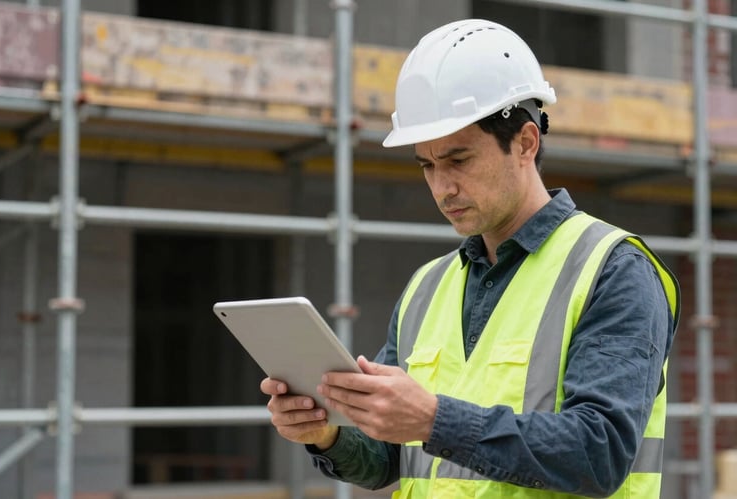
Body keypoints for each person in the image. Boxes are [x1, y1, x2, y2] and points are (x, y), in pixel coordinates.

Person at [260, 18, 679, 498]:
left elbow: (600, 453)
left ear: (525, 143)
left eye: (458, 161)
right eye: (427, 165)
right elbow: (386, 459)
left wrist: (435, 419)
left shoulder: (614, 270)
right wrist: (329, 435)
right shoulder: (427, 287)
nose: (442, 187)